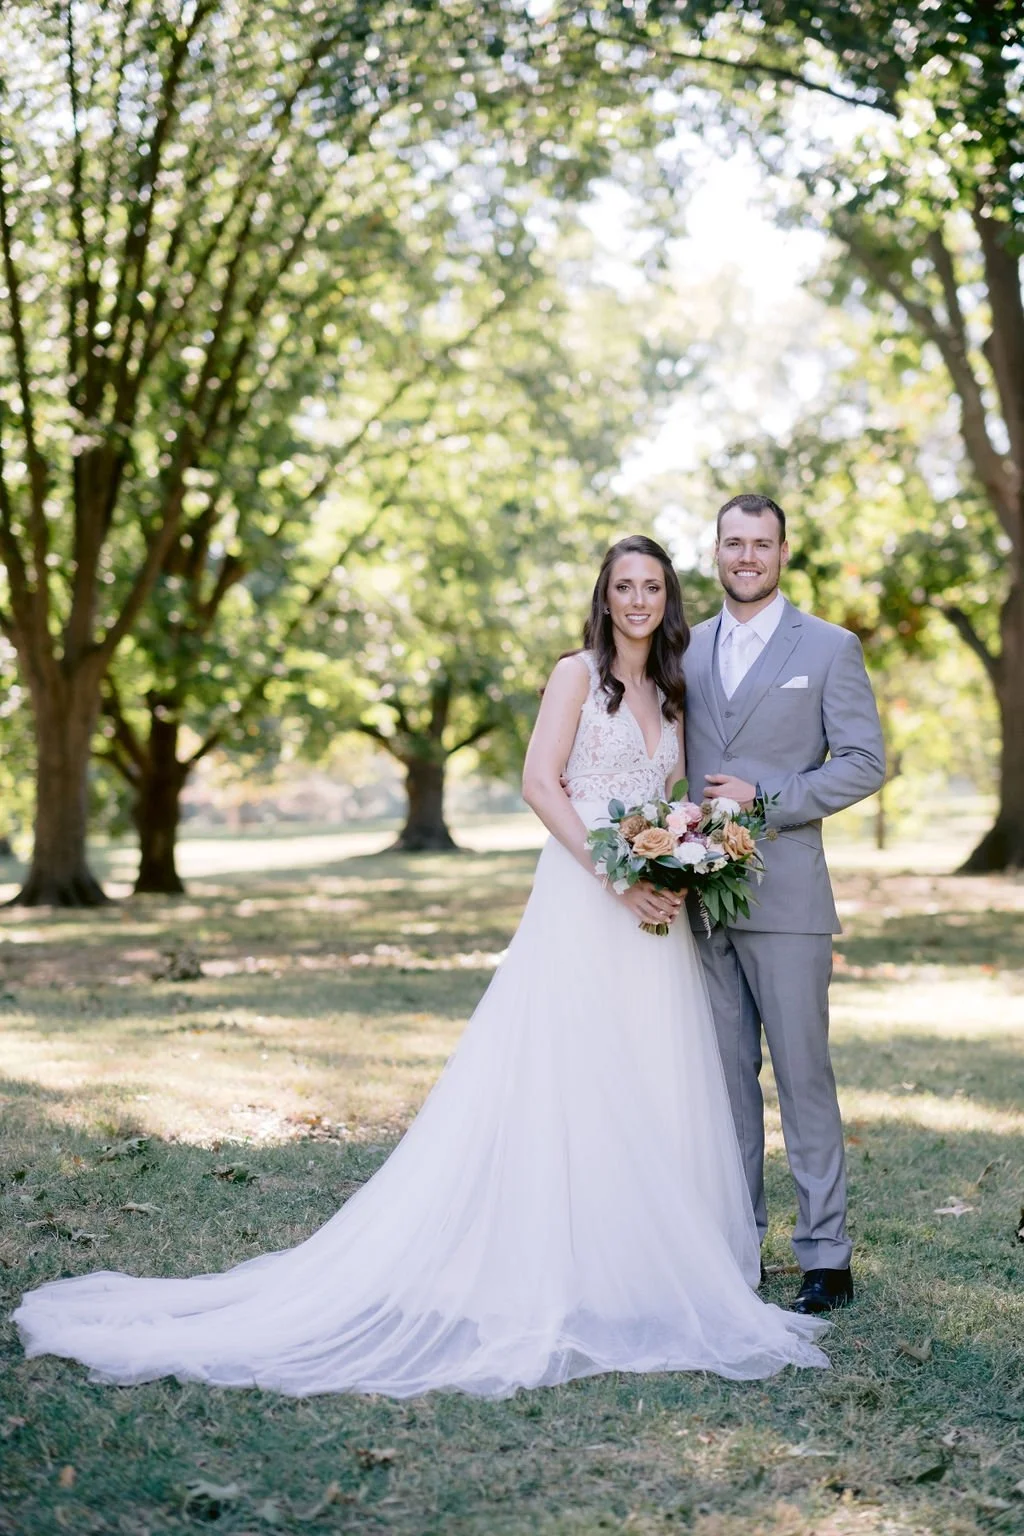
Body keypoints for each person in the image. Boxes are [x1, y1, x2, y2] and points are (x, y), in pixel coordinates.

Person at [13, 535, 827, 1398]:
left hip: (651, 914)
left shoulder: (673, 690)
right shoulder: (575, 676)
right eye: (624, 586)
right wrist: (615, 877)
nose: (638, 600)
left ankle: (641, 1262)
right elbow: (540, 784)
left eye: (652, 587)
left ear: (670, 598)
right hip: (586, 898)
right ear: (604, 595)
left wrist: (680, 859)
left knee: (647, 1076)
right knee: (568, 1072)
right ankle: (552, 1264)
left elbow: (670, 799)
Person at [683, 495, 885, 1315]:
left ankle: (825, 1257)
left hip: (791, 894)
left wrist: (766, 799)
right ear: (717, 552)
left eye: (761, 544)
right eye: (734, 542)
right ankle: (738, 1245)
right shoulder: (684, 647)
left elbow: (865, 762)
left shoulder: (830, 648)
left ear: (783, 552)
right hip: (700, 899)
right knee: (724, 1083)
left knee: (804, 1077)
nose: (746, 556)